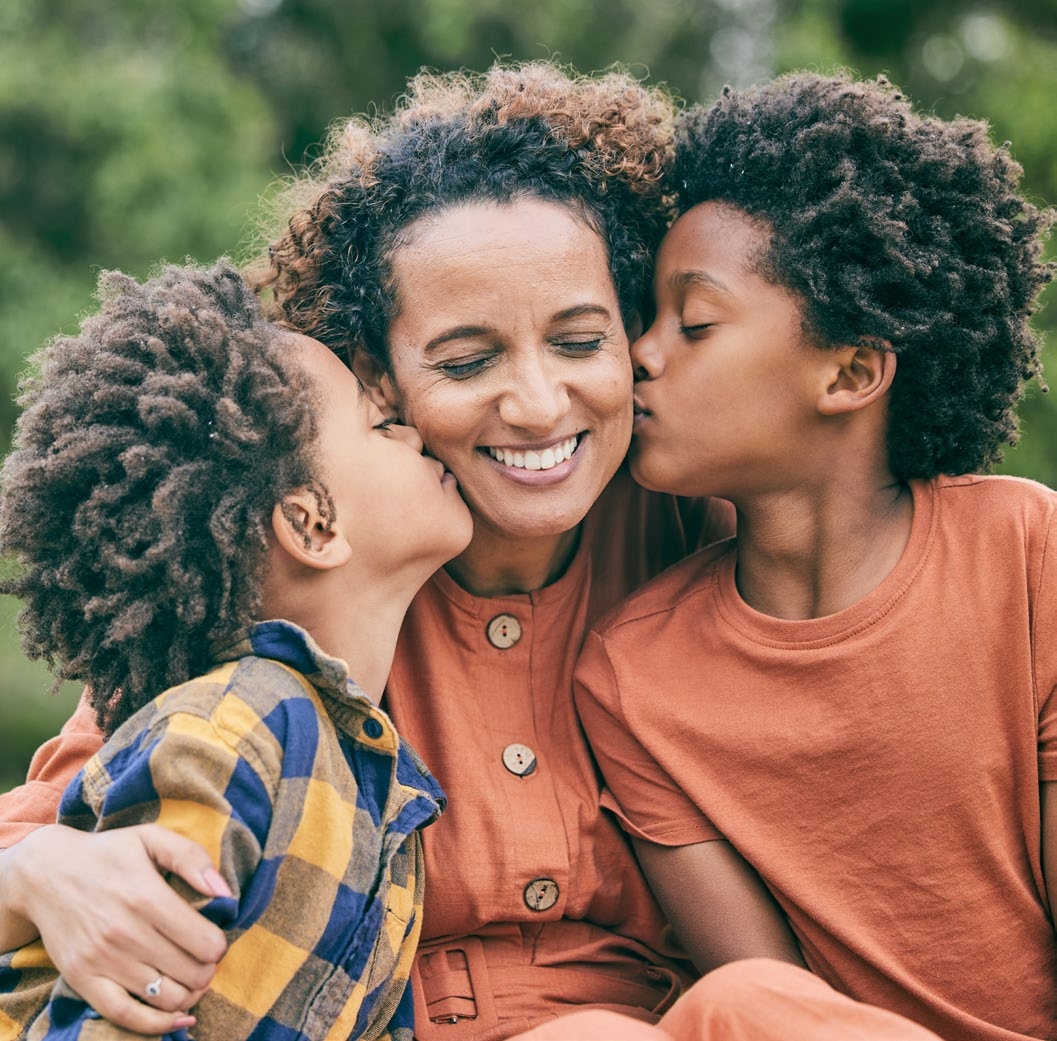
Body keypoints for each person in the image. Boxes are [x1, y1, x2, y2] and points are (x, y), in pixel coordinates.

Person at [0, 62, 943, 1041]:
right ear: (380, 377)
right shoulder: (275, 614)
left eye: (580, 343)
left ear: (636, 341)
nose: (537, 405)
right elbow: (67, 810)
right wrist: (33, 874)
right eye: (465, 361)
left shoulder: (700, 530)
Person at [572, 71, 1057, 1041]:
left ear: (849, 373)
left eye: (692, 323)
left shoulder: (1026, 556)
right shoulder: (630, 675)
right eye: (644, 320)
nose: (639, 356)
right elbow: (773, 1004)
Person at [0, 259, 472, 1039]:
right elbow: (117, 1014)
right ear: (311, 524)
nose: (417, 426)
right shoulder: (245, 727)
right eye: (381, 424)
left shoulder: (367, 771)